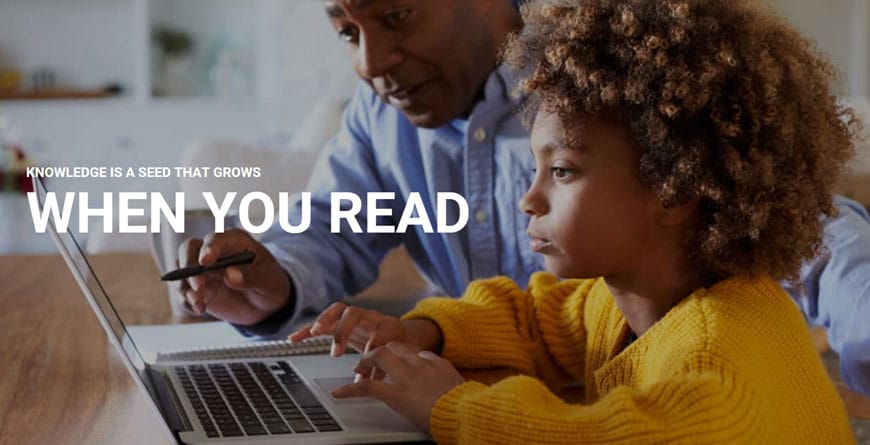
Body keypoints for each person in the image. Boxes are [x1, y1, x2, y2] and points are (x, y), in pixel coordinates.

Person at [177, 0, 870, 395]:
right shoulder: (380, 120)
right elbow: (330, 228)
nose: (369, 62)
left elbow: (809, 229)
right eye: (348, 33)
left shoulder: (594, 86)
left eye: (397, 15)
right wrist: (269, 281)